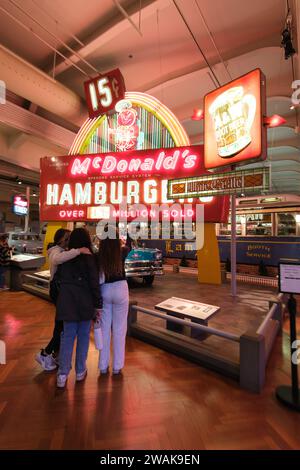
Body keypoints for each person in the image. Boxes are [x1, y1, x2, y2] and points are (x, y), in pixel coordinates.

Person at [35, 228, 91, 371]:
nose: (68, 240)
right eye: (66, 237)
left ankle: (55, 354)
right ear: (60, 239)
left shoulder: (63, 251)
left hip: (61, 293)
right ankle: (45, 353)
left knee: (61, 326)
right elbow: (56, 259)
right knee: (61, 326)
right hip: (58, 292)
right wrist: (78, 251)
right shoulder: (56, 251)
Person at [56, 228, 102, 388]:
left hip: (67, 302)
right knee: (83, 337)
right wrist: (98, 305)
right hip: (85, 303)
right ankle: (80, 371)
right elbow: (94, 284)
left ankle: (62, 375)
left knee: (67, 337)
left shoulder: (65, 257)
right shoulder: (90, 258)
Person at [97, 233, 130, 375]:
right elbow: (130, 244)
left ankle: (103, 366)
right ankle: (117, 366)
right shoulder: (122, 251)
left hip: (104, 289)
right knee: (120, 329)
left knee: (104, 329)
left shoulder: (98, 255)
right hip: (121, 289)